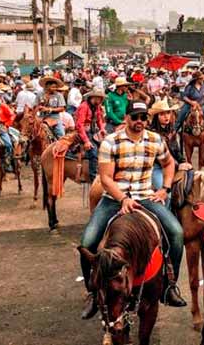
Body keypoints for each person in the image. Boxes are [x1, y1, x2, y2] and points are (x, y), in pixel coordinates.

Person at [78, 102, 186, 319]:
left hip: (146, 196)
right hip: (114, 198)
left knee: (176, 233)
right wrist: (122, 198)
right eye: (135, 117)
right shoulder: (111, 141)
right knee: (88, 241)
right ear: (126, 117)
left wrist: (165, 188)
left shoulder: (156, 140)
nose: (139, 121)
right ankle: (92, 292)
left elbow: (168, 164)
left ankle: (169, 285)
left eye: (143, 117)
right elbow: (106, 178)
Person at [148, 99, 183, 188]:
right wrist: (177, 164)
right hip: (157, 166)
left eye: (168, 113)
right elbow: (157, 158)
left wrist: (183, 161)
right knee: (164, 190)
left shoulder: (171, 132)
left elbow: (176, 150)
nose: (166, 116)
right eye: (162, 114)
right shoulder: (152, 134)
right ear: (156, 116)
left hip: (172, 164)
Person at [75, 88, 107, 180]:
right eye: (99, 98)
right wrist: (86, 141)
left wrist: (102, 129)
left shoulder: (96, 106)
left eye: (101, 98)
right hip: (83, 132)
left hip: (93, 131)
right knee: (94, 153)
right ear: (93, 97)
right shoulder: (84, 106)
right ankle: (93, 177)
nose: (101, 100)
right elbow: (79, 125)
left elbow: (99, 119)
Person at [175, 72, 204, 138]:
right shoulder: (189, 87)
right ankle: (176, 130)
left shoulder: (203, 86)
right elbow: (184, 97)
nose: (202, 80)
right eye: (201, 79)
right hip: (190, 105)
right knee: (181, 114)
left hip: (201, 105)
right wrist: (191, 102)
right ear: (196, 79)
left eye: (202, 78)